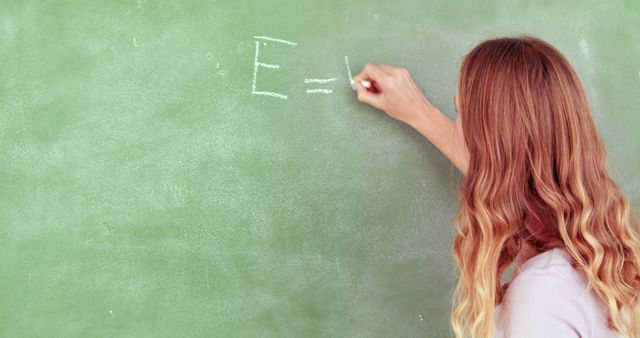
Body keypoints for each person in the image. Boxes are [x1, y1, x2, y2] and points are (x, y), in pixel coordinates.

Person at [352, 35, 640, 338]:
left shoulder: (542, 296)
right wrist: (420, 113)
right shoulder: (603, 263)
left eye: (462, 114)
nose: (457, 126)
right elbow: (507, 174)